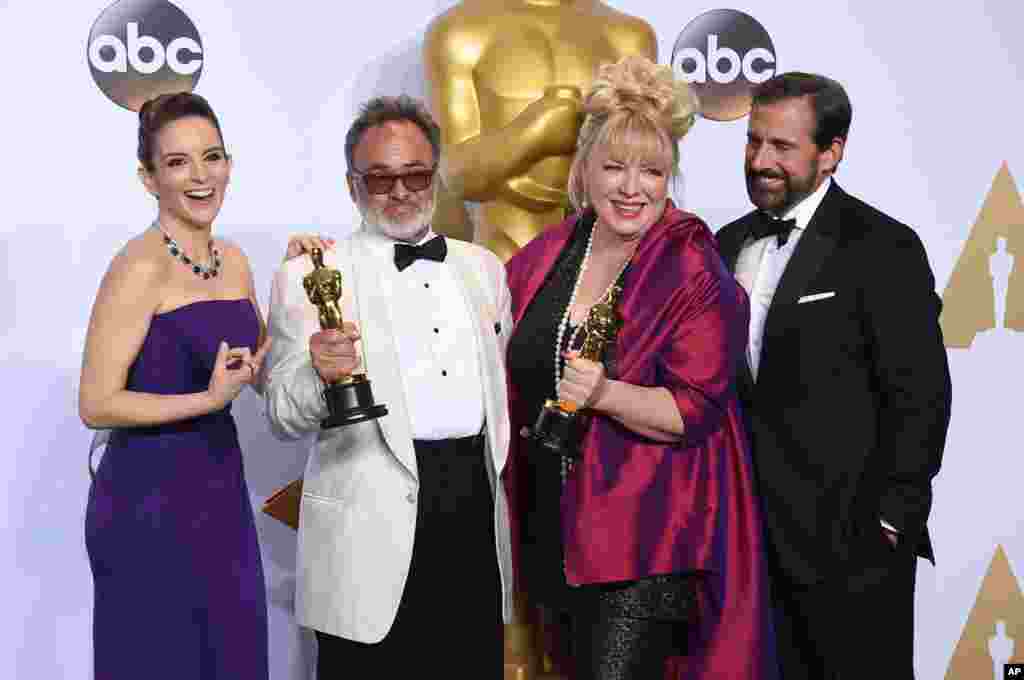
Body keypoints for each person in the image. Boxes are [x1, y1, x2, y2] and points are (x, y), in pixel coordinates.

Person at [504, 55, 776, 680]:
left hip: (645, 547)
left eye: (651, 171)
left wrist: (603, 392)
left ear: (669, 176)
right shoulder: (549, 253)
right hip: (554, 536)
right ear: (584, 170)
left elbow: (693, 411)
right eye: (615, 167)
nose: (633, 188)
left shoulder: (692, 266)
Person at [262, 95, 513, 678]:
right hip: (365, 540)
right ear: (353, 187)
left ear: (436, 175)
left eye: (415, 175)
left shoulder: (485, 270)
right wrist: (317, 377)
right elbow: (279, 410)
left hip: (472, 520)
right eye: (380, 180)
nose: (400, 192)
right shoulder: (308, 274)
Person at [79, 92, 327, 679]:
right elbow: (95, 402)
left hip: (217, 491)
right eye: (177, 162)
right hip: (145, 500)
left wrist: (295, 288)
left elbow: (261, 371)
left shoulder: (235, 261)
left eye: (212, 157)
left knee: (232, 657)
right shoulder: (137, 267)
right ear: (148, 178)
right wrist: (207, 401)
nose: (200, 176)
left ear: (229, 164)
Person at [715, 72, 953, 680]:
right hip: (747, 553)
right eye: (753, 142)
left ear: (831, 154)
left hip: (853, 554)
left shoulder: (882, 247)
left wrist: (891, 521)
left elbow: (921, 397)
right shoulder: (725, 244)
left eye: (781, 148)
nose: (760, 161)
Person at [424, 0, 657, 259]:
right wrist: (535, 132)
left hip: (605, 255)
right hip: (506, 253)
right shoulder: (460, 32)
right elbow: (457, 175)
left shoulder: (629, 37)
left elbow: (649, 166)